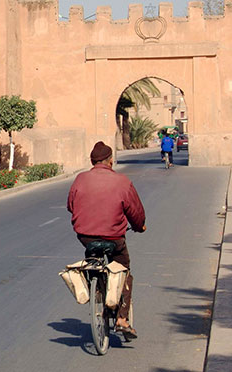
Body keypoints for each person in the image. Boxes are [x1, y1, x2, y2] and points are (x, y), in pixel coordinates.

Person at [67, 141, 146, 339]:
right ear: (111, 161)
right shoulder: (122, 182)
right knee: (123, 270)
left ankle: (97, 289)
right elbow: (135, 212)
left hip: (85, 237)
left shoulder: (80, 179)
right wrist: (139, 226)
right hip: (114, 238)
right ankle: (121, 319)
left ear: (92, 161)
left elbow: (70, 205)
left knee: (93, 259)